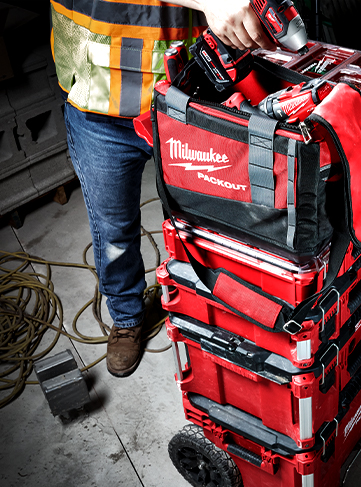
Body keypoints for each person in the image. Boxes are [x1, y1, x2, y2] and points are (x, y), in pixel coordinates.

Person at [50, 0, 275, 377]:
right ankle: (127, 317)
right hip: (98, 96)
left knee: (217, 222)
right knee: (112, 228)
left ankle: (220, 313)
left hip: (189, 89)